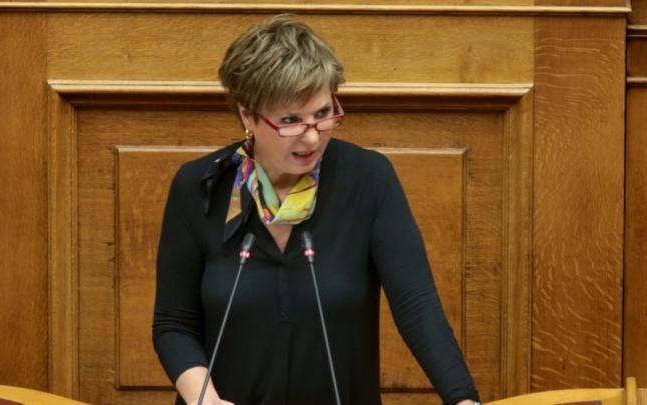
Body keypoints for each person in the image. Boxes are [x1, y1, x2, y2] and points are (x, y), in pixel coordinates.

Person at [152, 15, 481, 405]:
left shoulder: (368, 179)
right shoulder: (200, 188)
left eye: (323, 114)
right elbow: (174, 324)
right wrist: (204, 399)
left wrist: (462, 399)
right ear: (247, 115)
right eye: (290, 121)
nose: (311, 137)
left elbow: (417, 307)